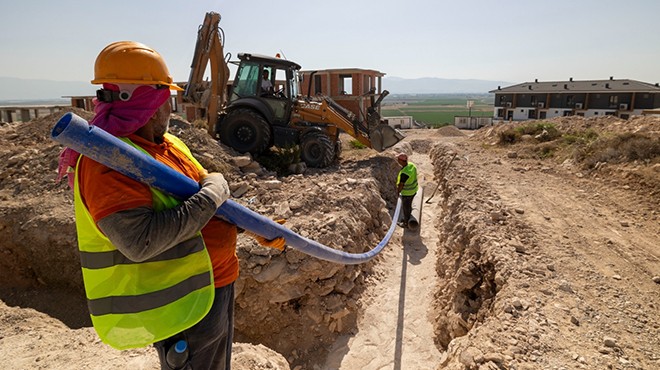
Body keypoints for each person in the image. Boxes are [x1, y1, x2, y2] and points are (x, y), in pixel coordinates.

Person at [57, 41, 284, 370]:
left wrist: (249, 226)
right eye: (167, 99)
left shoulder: (166, 144)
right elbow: (140, 241)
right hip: (181, 305)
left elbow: (205, 199)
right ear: (151, 101)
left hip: (213, 286)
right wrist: (214, 191)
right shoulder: (107, 164)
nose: (171, 108)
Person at [395, 152, 418, 229]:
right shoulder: (412, 165)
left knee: (406, 208)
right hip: (414, 190)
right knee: (409, 206)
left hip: (407, 193)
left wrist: (398, 192)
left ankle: (406, 223)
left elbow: (401, 185)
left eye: (398, 159)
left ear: (401, 161)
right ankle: (406, 219)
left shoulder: (404, 173)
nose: (397, 160)